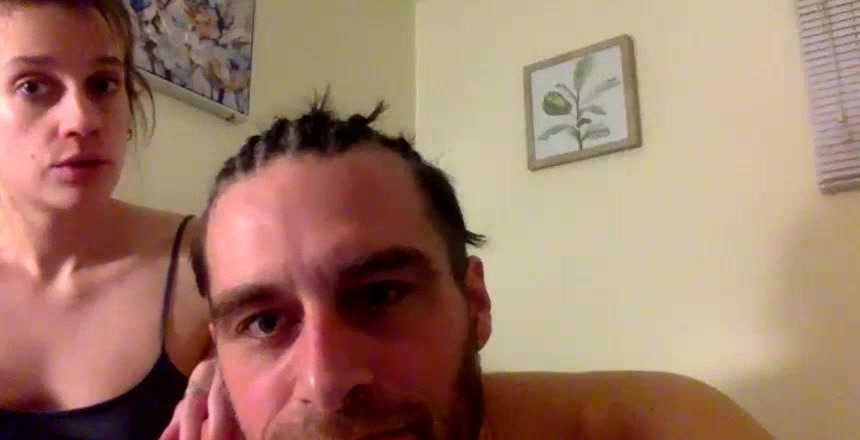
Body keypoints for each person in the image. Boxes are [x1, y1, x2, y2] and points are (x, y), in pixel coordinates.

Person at [188, 93, 776, 440]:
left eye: (379, 294)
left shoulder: (662, 427)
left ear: (475, 302)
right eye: (265, 323)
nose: (326, 381)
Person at [0, 0, 212, 438]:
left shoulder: (206, 261)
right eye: (32, 87)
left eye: (103, 84)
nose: (81, 119)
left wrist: (254, 366)